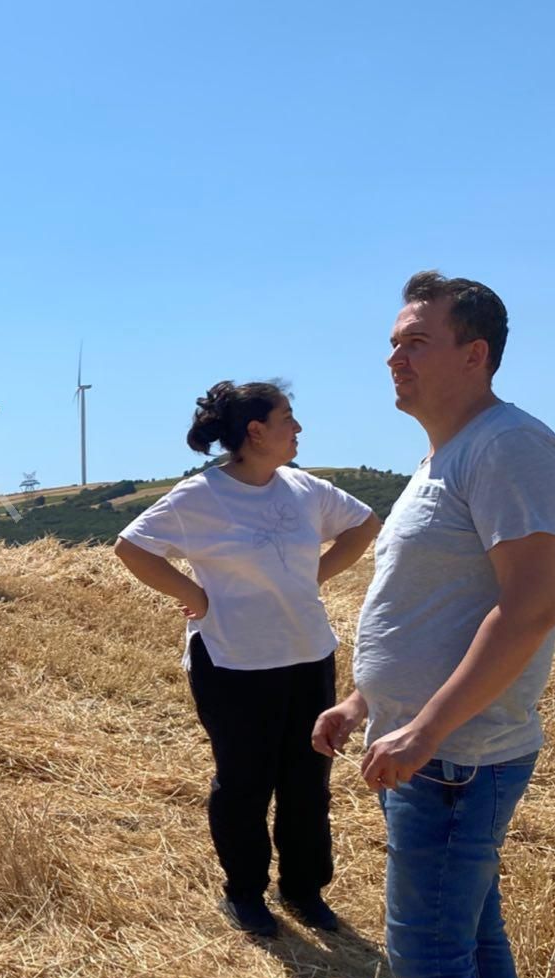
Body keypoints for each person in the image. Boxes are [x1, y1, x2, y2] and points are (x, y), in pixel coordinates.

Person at [313, 272, 555, 978]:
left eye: (414, 340)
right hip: (429, 752)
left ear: (475, 354)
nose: (393, 355)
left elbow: (528, 608)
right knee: (472, 945)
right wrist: (361, 701)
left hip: (455, 762)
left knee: (430, 961)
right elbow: (427, 613)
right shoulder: (440, 461)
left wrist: (422, 730)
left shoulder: (508, 447)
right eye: (392, 341)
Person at [114, 382, 380, 939]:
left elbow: (364, 525)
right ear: (255, 431)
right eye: (288, 418)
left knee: (308, 781)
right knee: (244, 783)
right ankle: (244, 892)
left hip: (308, 655)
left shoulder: (304, 489)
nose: (298, 428)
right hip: (232, 661)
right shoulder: (199, 497)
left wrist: (316, 576)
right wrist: (198, 596)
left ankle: (304, 890)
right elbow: (132, 547)